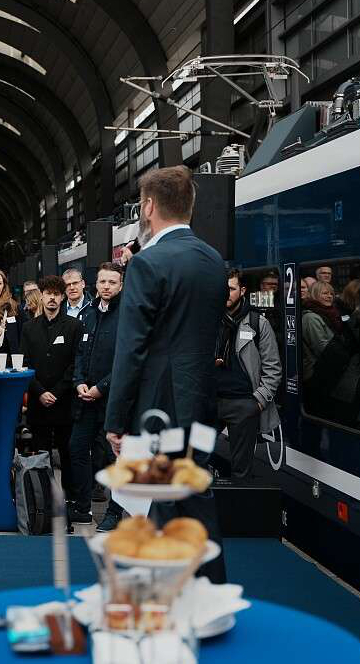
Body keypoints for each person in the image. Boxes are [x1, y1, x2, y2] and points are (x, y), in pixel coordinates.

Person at [104, 165, 228, 583]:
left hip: (157, 407)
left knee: (157, 506)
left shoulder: (147, 264)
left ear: (149, 206)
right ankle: (210, 593)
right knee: (194, 497)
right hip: (199, 402)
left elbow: (131, 351)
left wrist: (116, 421)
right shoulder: (213, 261)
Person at [70, 262, 125, 531]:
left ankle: (115, 512)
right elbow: (79, 353)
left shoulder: (128, 315)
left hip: (114, 398)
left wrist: (101, 387)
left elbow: (127, 361)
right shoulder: (87, 314)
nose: (106, 286)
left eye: (112, 282)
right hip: (85, 398)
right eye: (102, 282)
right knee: (77, 449)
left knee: (116, 458)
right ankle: (82, 507)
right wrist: (79, 381)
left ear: (121, 285)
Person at [215, 270, 282, 481]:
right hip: (210, 402)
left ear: (242, 290)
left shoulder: (258, 323)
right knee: (194, 458)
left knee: (241, 470)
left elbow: (273, 368)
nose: (226, 293)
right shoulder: (209, 321)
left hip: (244, 405)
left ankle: (237, 512)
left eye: (231, 289)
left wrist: (258, 401)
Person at [20, 276, 82, 501]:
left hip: (64, 400)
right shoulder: (29, 328)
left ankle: (70, 498)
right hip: (38, 400)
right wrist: (39, 391)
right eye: (48, 294)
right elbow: (24, 362)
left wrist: (56, 392)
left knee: (67, 452)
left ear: (63, 297)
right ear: (42, 296)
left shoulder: (75, 326)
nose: (52, 298)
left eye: (57, 294)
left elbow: (76, 363)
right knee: (41, 452)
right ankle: (43, 498)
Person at [302, 280, 360, 425]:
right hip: (319, 375)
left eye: (331, 294)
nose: (329, 296)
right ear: (315, 295)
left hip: (333, 373)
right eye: (325, 293)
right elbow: (323, 349)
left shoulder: (333, 314)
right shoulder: (311, 317)